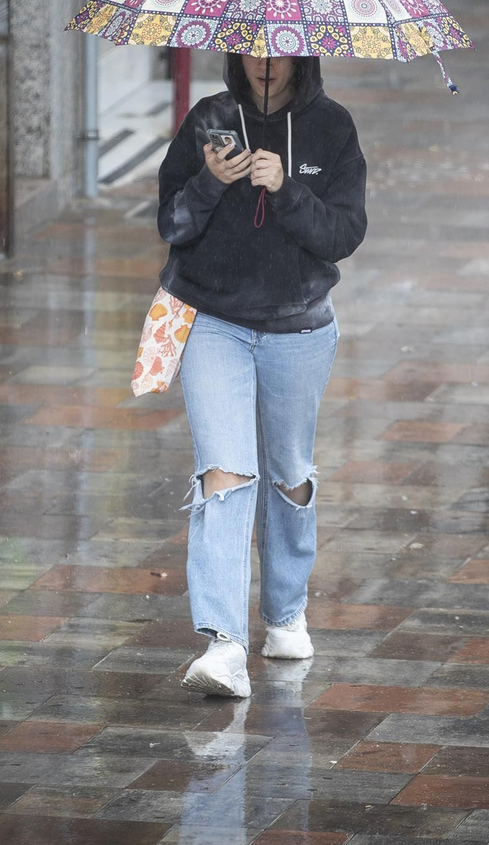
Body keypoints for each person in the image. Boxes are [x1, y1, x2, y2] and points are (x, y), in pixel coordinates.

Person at [156, 51, 368, 698]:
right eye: (252, 46)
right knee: (225, 469)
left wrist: (286, 189)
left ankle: (284, 613)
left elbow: (344, 233)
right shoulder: (208, 122)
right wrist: (210, 182)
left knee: (289, 474)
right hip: (212, 320)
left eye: (277, 49)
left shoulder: (331, 129)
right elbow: (171, 223)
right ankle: (224, 643)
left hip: (299, 325)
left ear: (300, 54)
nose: (264, 61)